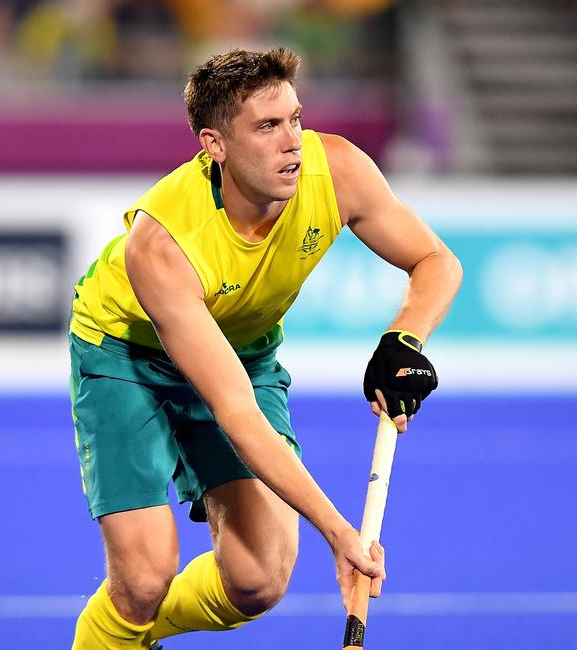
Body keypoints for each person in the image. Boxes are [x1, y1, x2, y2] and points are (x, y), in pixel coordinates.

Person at [68, 46, 462, 649]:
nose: (293, 142)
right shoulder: (163, 244)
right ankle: (117, 627)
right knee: (144, 578)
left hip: (243, 351)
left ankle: (137, 630)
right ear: (214, 145)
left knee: (258, 581)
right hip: (126, 356)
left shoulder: (337, 173)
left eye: (297, 119)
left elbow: (436, 261)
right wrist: (340, 534)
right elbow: (237, 415)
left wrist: (404, 337)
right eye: (268, 126)